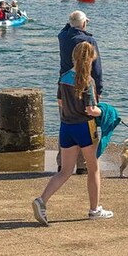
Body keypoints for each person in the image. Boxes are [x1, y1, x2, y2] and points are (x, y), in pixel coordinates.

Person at [32, 42, 113, 226]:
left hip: (66, 128)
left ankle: (42, 200)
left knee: (65, 171)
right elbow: (91, 110)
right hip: (84, 128)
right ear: (91, 59)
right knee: (93, 169)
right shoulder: (87, 81)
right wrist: (107, 111)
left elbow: (60, 102)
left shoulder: (64, 78)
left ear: (74, 57)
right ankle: (94, 209)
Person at [58, 10, 103, 173]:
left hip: (65, 84)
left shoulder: (63, 37)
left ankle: (63, 162)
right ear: (84, 24)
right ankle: (83, 164)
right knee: (87, 121)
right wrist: (99, 89)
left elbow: (63, 30)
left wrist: (72, 23)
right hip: (84, 83)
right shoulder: (89, 40)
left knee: (66, 121)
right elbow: (96, 68)